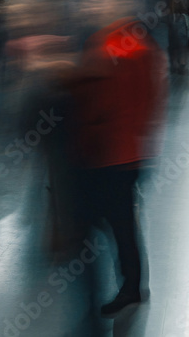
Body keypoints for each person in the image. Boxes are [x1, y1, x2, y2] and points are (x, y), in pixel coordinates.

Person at [61, 16, 168, 317]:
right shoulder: (138, 41)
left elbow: (103, 98)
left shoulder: (118, 43)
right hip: (126, 150)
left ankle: (131, 286)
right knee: (120, 222)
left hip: (112, 153)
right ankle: (132, 284)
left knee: (115, 222)